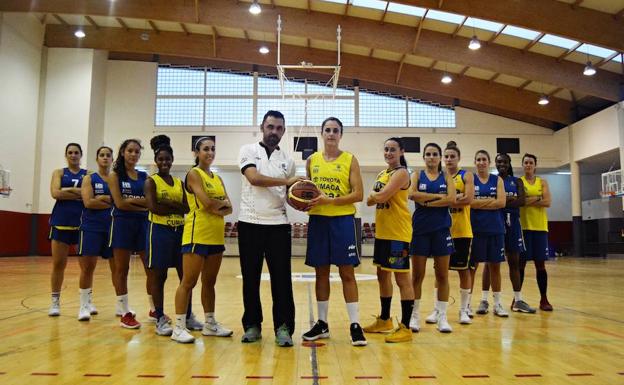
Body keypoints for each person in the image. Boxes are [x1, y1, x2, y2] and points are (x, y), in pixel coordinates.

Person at [237, 110, 301, 347]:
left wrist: (304, 200)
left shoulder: (288, 161)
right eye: (270, 127)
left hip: (278, 226)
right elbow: (254, 178)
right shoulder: (248, 150)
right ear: (262, 127)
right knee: (250, 279)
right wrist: (287, 182)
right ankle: (252, 325)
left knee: (282, 281)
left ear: (283, 131)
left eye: (279, 128)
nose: (274, 132)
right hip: (250, 223)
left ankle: (283, 328)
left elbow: (291, 195)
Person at [303, 117, 367, 347]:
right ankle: (322, 323)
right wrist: (303, 202)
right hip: (318, 221)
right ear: (322, 133)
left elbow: (358, 194)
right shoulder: (312, 160)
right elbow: (307, 192)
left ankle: (355, 325)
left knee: (347, 273)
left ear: (341, 134)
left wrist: (331, 200)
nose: (331, 134)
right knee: (321, 273)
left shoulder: (350, 159)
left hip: (342, 221)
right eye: (327, 130)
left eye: (335, 130)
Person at [171, 136, 233, 343]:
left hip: (216, 236)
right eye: (206, 149)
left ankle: (210, 324)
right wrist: (219, 204)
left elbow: (230, 208)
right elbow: (206, 203)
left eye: (213, 149)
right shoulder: (194, 174)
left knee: (210, 283)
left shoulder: (217, 178)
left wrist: (219, 205)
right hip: (196, 233)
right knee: (188, 282)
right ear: (196, 153)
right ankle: (178, 327)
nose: (210, 152)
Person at [364, 137, 414, 343]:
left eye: (393, 149)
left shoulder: (402, 173)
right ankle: (385, 320)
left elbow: (380, 196)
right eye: (386, 149)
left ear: (401, 151)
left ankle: (405, 327)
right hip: (383, 233)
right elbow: (369, 200)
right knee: (382, 276)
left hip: (397, 233)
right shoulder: (382, 173)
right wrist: (377, 194)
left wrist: (377, 193)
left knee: (402, 279)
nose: (388, 153)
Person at [144, 135, 195, 336]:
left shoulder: (178, 182)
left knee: (186, 276)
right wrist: (175, 206)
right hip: (159, 232)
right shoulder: (151, 181)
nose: (164, 162)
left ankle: (188, 316)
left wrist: (170, 205)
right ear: (156, 161)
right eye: (161, 159)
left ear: (172, 160)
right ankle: (160, 318)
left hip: (179, 232)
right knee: (159, 276)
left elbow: (186, 207)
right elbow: (153, 207)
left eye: (167, 159)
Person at [425, 141, 475, 326]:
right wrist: (450, 198)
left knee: (464, 271)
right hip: (442, 230)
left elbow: (469, 198)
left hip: (462, 230)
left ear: (459, 158)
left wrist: (446, 199)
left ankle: (464, 309)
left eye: (452, 156)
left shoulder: (466, 175)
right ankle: (438, 309)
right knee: (440, 273)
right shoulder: (439, 177)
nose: (448, 159)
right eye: (446, 156)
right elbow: (447, 199)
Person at [408, 142, 456, 333]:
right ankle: (414, 316)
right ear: (424, 157)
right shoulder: (417, 175)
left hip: (442, 229)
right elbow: (411, 194)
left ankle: (442, 317)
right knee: (417, 276)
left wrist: (426, 200)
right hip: (420, 229)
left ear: (440, 157)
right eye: (428, 154)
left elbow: (452, 199)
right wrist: (438, 198)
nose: (431, 157)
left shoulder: (447, 176)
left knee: (442, 275)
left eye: (435, 154)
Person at [481, 154, 536, 313]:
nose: (502, 164)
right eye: (499, 162)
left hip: (513, 224)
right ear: (495, 164)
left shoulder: (516, 181)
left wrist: (501, 200)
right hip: (495, 222)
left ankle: (518, 300)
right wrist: (508, 200)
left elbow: (522, 201)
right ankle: (484, 300)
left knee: (515, 262)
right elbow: (494, 200)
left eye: (504, 162)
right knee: (489, 262)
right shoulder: (492, 180)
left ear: (509, 163)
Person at [108, 139, 149, 328]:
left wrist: (131, 200)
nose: (133, 154)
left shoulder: (144, 176)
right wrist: (139, 201)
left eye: (137, 151)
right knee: (121, 270)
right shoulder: (115, 175)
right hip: (122, 224)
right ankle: (125, 312)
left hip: (143, 224)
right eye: (130, 151)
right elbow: (120, 203)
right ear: (123, 152)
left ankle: (154, 308)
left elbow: (151, 202)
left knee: (151, 268)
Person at [48, 143, 87, 316]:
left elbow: (89, 195)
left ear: (81, 155)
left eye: (76, 152)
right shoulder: (59, 172)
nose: (73, 155)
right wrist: (78, 192)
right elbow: (55, 193)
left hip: (82, 223)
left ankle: (86, 303)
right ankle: (55, 302)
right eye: (70, 152)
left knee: (86, 266)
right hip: (61, 222)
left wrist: (67, 190)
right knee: (58, 264)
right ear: (66, 155)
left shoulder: (88, 175)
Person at [77, 146, 114, 321]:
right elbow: (88, 203)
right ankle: (84, 305)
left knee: (118, 268)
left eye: (108, 155)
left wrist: (101, 199)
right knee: (88, 268)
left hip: (113, 227)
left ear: (112, 159)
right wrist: (108, 202)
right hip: (92, 226)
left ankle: (122, 305)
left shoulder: (116, 179)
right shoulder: (89, 178)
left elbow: (120, 202)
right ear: (97, 158)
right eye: (102, 155)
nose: (105, 158)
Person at [471, 150, 508, 318]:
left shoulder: (497, 179)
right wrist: (490, 202)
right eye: (478, 159)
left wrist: (480, 203)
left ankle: (497, 303)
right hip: (476, 229)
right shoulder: (471, 179)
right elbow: (470, 203)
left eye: (484, 159)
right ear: (475, 162)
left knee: (495, 267)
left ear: (489, 162)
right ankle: (468, 304)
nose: (481, 162)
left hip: (496, 229)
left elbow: (501, 202)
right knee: (473, 268)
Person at [519, 153, 553, 311]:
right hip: (524, 228)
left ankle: (544, 299)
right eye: (525, 162)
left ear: (535, 165)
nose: (528, 165)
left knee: (540, 265)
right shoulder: (519, 182)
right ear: (522, 165)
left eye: (531, 162)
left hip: (540, 228)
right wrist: (537, 198)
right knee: (521, 265)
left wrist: (530, 199)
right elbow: (520, 201)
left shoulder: (542, 181)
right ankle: (517, 299)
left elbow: (547, 202)